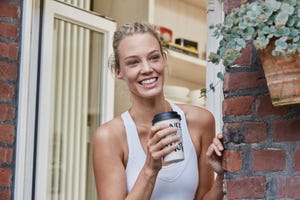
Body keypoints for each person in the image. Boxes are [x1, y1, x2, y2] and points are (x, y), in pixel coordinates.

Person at [93, 21, 224, 200]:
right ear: (118, 72)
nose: (147, 69)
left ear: (164, 59)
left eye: (154, 57)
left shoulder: (200, 121)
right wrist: (150, 169)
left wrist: (223, 175)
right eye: (133, 62)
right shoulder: (110, 136)